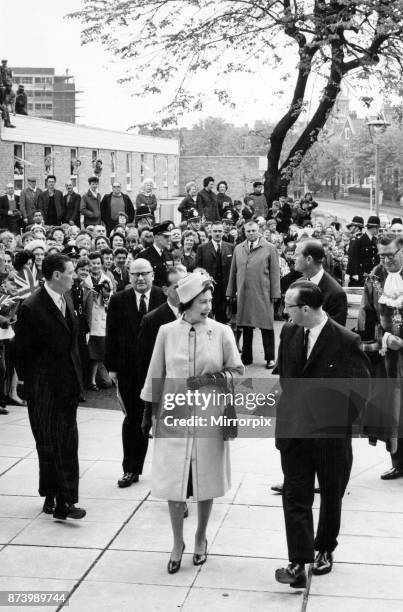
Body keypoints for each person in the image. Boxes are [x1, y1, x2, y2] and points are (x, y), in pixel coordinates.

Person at [140, 271, 244, 573]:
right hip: (173, 416)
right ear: (186, 302)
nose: (208, 305)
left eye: (210, 300)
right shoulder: (166, 332)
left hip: (210, 415)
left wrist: (209, 379)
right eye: (202, 301)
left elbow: (237, 371)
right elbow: (154, 375)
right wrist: (148, 413)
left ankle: (200, 537)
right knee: (174, 482)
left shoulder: (222, 331)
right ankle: (177, 542)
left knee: (206, 479)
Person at [274, 281, 370, 588]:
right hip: (295, 433)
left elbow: (363, 390)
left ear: (305, 309)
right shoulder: (289, 332)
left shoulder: (345, 340)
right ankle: (298, 561)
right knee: (295, 494)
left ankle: (325, 548)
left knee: (331, 494)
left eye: (287, 307)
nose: (283, 311)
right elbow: (286, 378)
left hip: (330, 438)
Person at [14, 254, 85, 520]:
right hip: (44, 389)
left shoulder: (65, 297)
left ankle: (60, 499)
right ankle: (57, 498)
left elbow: (72, 344)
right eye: (70, 272)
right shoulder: (32, 307)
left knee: (67, 444)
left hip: (67, 385)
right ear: (56, 275)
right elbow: (24, 353)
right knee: (49, 445)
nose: (74, 275)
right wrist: (33, 388)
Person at [105, 258, 165, 488]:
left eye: (145, 274)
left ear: (152, 274)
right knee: (133, 420)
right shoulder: (119, 300)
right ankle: (131, 468)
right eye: (135, 274)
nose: (140, 278)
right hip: (130, 372)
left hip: (161, 370)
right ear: (129, 276)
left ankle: (168, 472)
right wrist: (112, 367)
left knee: (165, 420)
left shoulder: (164, 298)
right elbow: (111, 334)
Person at [357, 233, 403, 480]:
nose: (386, 260)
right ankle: (399, 461)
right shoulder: (375, 277)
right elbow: (367, 317)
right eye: (382, 255)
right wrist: (384, 339)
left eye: (390, 255)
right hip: (389, 356)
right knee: (393, 410)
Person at [226, 220, 281, 368]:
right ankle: (247, 357)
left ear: (259, 231)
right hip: (243, 293)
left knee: (266, 325)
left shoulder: (269, 248)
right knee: (246, 324)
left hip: (263, 292)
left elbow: (275, 273)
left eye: (253, 231)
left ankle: (270, 358)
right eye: (248, 231)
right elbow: (233, 272)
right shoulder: (238, 248)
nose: (251, 233)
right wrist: (230, 291)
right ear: (244, 232)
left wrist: (276, 293)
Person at [196, 221, 234, 323]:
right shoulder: (202, 248)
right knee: (208, 319)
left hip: (225, 289)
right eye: (215, 231)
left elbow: (234, 269)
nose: (217, 233)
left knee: (223, 320)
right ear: (210, 232)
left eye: (220, 231)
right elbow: (197, 270)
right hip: (209, 289)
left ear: (223, 232)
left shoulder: (230, 247)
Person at [137, 221, 173, 287]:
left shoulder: (169, 255)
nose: (169, 240)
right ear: (156, 237)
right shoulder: (143, 256)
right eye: (165, 237)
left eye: (169, 237)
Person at [348, 215, 380, 285]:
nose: (378, 230)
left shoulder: (375, 240)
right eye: (378, 228)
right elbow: (353, 257)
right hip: (359, 275)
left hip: (371, 275)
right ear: (374, 228)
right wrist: (354, 274)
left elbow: (375, 258)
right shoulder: (359, 240)